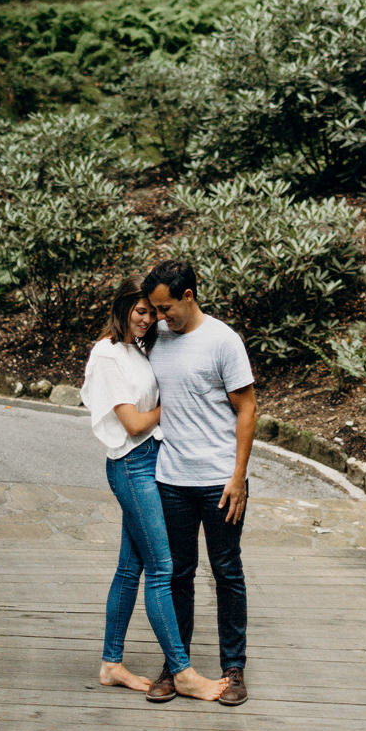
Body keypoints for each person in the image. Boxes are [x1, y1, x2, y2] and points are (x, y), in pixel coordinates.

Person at [79, 277, 229, 703]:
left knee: (131, 568)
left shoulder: (137, 348)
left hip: (152, 461)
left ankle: (111, 664)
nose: (149, 320)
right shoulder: (108, 354)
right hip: (132, 465)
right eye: (141, 311)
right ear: (122, 308)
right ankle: (182, 672)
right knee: (162, 568)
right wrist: (174, 405)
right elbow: (133, 424)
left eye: (154, 312)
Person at [141, 258, 257, 708]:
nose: (160, 316)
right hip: (171, 479)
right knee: (177, 574)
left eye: (166, 307)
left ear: (188, 296)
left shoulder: (223, 341)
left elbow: (247, 409)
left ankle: (233, 667)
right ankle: (177, 665)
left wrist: (238, 477)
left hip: (219, 481)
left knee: (227, 572)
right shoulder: (157, 338)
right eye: (155, 309)